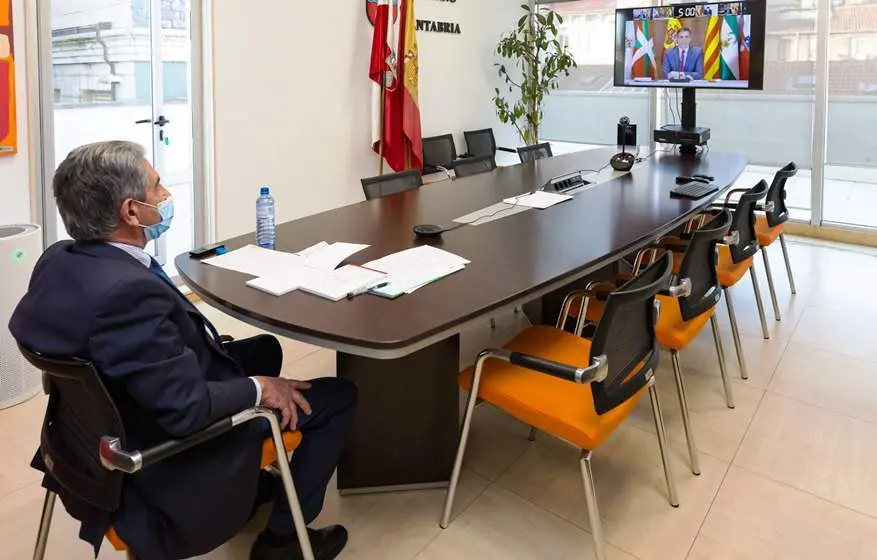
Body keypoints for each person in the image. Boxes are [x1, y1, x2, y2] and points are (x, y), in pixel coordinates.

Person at [9, 141, 357, 560]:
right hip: (165, 454)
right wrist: (261, 388)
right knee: (339, 396)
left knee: (263, 347)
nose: (165, 195)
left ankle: (252, 484)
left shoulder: (60, 258)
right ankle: (283, 541)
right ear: (132, 212)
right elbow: (186, 410)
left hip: (99, 429)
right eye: (157, 187)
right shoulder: (126, 294)